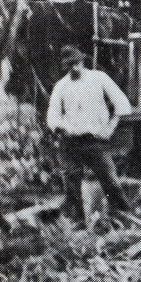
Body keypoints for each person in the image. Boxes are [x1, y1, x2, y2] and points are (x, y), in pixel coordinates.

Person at [46, 45, 132, 223]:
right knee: (71, 183)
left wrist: (110, 127)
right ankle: (77, 223)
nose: (74, 68)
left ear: (83, 61)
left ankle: (125, 216)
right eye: (70, 65)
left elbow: (122, 103)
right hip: (70, 142)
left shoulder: (98, 78)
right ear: (65, 66)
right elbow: (52, 116)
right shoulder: (61, 86)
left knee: (110, 180)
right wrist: (62, 127)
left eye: (76, 63)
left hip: (94, 140)